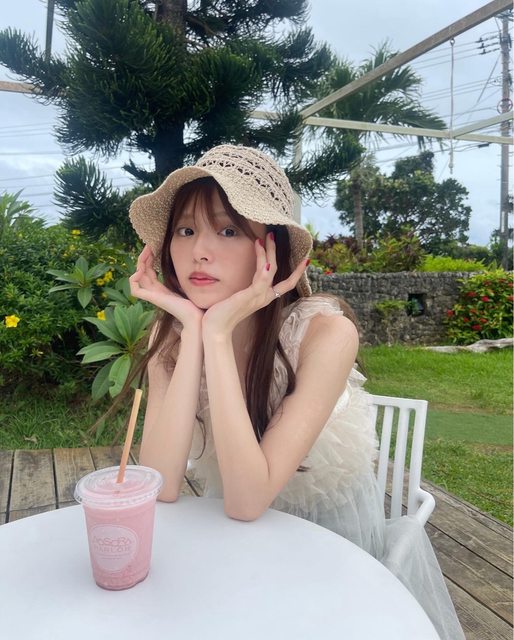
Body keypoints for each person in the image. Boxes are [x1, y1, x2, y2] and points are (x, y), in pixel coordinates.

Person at [128, 144, 464, 640]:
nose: (199, 251)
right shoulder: (173, 335)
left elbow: (249, 500)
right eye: (185, 230)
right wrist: (195, 334)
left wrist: (217, 335)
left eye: (228, 230)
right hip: (233, 525)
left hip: (329, 531)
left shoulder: (324, 333)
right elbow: (160, 485)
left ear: (271, 251)